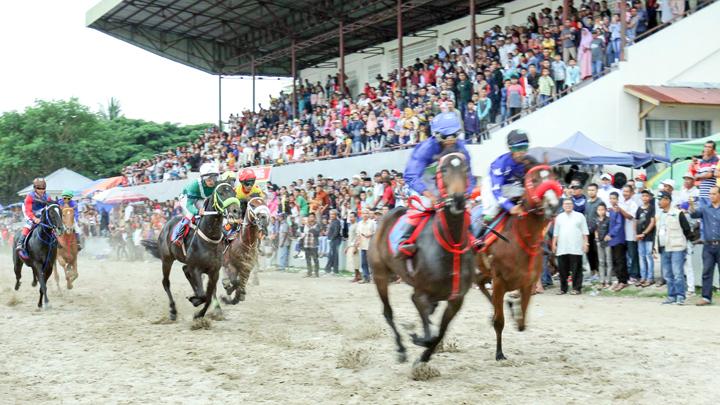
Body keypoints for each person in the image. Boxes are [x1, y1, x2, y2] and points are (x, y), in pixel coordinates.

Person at [396, 112, 475, 257]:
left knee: (465, 206)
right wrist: (429, 195)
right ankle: (405, 240)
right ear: (436, 135)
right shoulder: (425, 149)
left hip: (447, 186)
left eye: (454, 135)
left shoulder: (461, 148)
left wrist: (468, 192)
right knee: (424, 206)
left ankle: (472, 237)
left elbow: (469, 174)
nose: (451, 140)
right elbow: (411, 175)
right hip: (424, 185)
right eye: (445, 137)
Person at [482, 129, 531, 222]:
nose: (522, 152)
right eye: (518, 148)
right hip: (494, 186)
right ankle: (480, 232)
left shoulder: (528, 161)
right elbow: (496, 190)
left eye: (525, 147)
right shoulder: (500, 164)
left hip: (513, 186)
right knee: (491, 211)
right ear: (511, 149)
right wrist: (510, 207)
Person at [171, 162, 219, 245]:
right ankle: (178, 235)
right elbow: (189, 205)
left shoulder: (217, 184)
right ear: (203, 178)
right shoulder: (194, 185)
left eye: (214, 178)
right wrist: (197, 212)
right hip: (187, 199)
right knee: (190, 214)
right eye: (209, 179)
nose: (212, 182)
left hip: (200, 198)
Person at [656, 191, 691, 305]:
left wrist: (687, 245)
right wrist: (655, 247)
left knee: (677, 273)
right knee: (667, 274)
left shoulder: (678, 213)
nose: (659, 202)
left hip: (677, 247)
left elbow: (686, 230)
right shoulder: (659, 215)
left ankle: (680, 296)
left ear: (667, 200)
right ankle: (671, 296)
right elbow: (657, 233)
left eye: (661, 199)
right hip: (664, 247)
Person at [689, 186, 720, 306]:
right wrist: (691, 205)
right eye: (710, 194)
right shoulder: (705, 208)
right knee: (706, 271)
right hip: (708, 245)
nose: (711, 196)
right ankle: (706, 297)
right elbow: (694, 214)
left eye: (713, 194)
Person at [552, 199, 590, 295]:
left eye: (569, 204)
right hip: (562, 248)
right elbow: (555, 233)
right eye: (565, 204)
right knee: (562, 270)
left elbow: (585, 231)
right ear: (563, 206)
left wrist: (586, 243)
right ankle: (563, 289)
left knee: (576, 269)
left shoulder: (580, 216)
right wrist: (553, 244)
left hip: (576, 247)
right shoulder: (559, 217)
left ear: (573, 205)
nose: (568, 205)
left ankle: (576, 288)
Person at [16, 178, 52, 260]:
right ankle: (20, 243)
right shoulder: (30, 196)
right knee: (30, 223)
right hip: (28, 211)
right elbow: (28, 211)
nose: (41, 190)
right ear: (35, 188)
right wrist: (34, 218)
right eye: (39, 188)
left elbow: (50, 207)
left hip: (40, 212)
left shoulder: (47, 196)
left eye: (43, 188)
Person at [607, 191, 629, 291]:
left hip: (619, 239)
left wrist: (610, 234)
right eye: (611, 198)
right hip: (612, 240)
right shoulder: (611, 210)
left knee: (620, 260)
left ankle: (623, 281)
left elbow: (619, 225)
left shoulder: (619, 210)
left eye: (614, 198)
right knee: (615, 261)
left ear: (617, 199)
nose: (612, 200)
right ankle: (619, 279)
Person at [636, 189, 656, 286]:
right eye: (643, 196)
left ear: (650, 197)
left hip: (648, 236)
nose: (644, 197)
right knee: (642, 257)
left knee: (648, 256)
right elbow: (636, 222)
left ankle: (650, 277)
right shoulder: (639, 209)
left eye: (646, 196)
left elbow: (652, 222)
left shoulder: (652, 208)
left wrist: (644, 233)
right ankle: (643, 277)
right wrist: (636, 234)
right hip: (640, 237)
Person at [594, 203, 613, 288]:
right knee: (601, 262)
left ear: (605, 210)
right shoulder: (596, 220)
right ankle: (602, 281)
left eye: (602, 209)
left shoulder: (609, 220)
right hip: (599, 243)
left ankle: (608, 281)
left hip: (608, 243)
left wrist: (608, 236)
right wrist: (596, 237)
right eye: (599, 210)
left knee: (608, 261)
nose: (601, 211)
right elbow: (595, 230)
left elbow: (611, 230)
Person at [355, 209, 376, 283]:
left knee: (371, 262)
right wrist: (357, 241)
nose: (365, 214)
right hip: (362, 244)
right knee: (363, 262)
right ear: (361, 214)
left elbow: (376, 232)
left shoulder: (372, 223)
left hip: (370, 244)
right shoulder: (359, 223)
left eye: (366, 213)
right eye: (363, 213)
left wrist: (370, 234)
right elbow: (358, 233)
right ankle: (365, 277)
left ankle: (374, 277)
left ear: (369, 214)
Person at [302, 212, 321, 277]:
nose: (311, 218)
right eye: (310, 217)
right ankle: (309, 272)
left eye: (312, 217)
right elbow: (304, 233)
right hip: (306, 243)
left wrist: (309, 226)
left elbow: (316, 233)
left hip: (314, 244)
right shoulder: (306, 225)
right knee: (308, 259)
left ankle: (316, 273)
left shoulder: (317, 225)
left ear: (315, 218)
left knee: (315, 259)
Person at [324, 209, 342, 274]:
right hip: (332, 239)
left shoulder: (337, 222)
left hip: (335, 240)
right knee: (331, 255)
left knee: (334, 255)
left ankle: (334, 269)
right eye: (330, 214)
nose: (331, 215)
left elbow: (336, 232)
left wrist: (331, 239)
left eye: (333, 214)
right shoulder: (332, 221)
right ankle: (329, 268)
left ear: (336, 215)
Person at [344, 211, 360, 282]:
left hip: (355, 246)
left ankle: (357, 276)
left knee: (356, 261)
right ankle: (358, 275)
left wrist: (355, 247)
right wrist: (347, 247)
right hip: (350, 246)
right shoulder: (350, 226)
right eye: (349, 217)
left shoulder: (357, 225)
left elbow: (357, 236)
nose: (350, 218)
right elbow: (350, 238)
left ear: (355, 218)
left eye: (352, 217)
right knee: (353, 262)